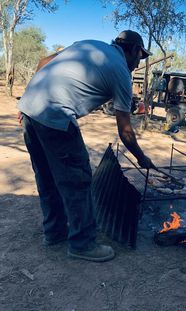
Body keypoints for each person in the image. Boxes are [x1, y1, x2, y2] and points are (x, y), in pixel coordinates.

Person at [18, 30, 156, 262]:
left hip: (30, 110)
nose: (137, 64)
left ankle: (54, 232)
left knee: (47, 177)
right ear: (132, 50)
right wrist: (142, 158)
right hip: (55, 116)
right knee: (78, 180)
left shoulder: (89, 45)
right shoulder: (122, 72)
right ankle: (82, 244)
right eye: (139, 57)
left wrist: (28, 98)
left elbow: (43, 62)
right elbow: (125, 129)